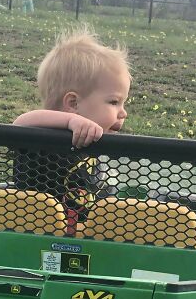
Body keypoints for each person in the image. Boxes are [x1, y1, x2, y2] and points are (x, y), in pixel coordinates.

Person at [12, 28, 130, 232]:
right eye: (114, 102)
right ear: (73, 103)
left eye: (123, 103)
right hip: (39, 238)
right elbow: (20, 125)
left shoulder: (93, 142)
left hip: (87, 238)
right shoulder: (44, 140)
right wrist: (70, 121)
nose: (123, 113)